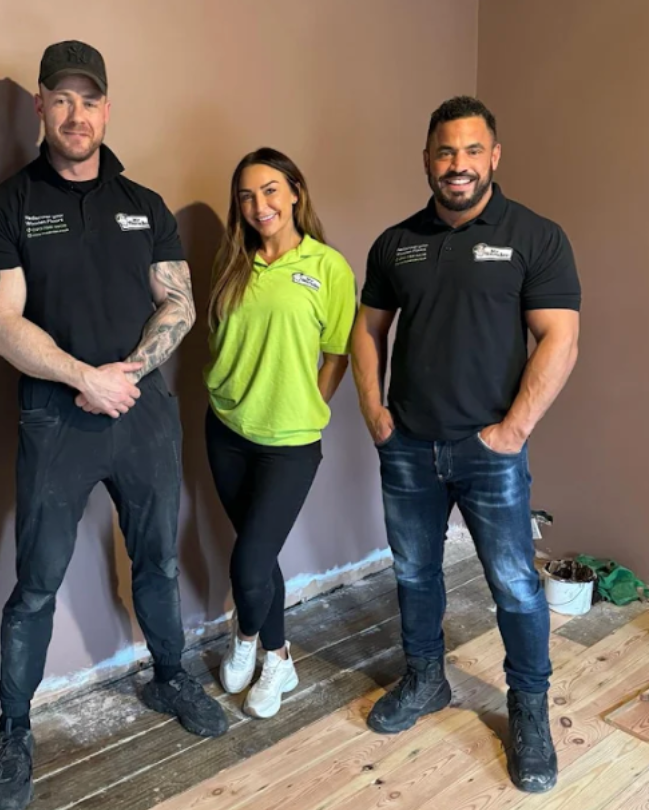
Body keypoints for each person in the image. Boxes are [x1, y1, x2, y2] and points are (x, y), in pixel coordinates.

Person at [0, 40, 227, 810]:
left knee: (159, 562)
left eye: (91, 100)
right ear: (40, 106)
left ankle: (171, 677)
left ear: (107, 109)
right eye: (63, 99)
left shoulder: (144, 204)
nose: (77, 115)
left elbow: (176, 300)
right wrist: (83, 378)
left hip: (143, 415)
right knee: (37, 583)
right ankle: (15, 732)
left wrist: (128, 375)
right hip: (56, 417)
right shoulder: (3, 209)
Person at [351, 96, 580, 794]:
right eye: (445, 152)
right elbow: (367, 328)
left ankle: (529, 709)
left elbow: (560, 338)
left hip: (491, 454)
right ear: (427, 159)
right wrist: (375, 412)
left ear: (494, 157)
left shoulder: (535, 237)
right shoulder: (397, 243)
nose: (458, 165)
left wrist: (511, 432)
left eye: (471, 151)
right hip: (409, 448)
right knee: (415, 574)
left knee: (512, 583)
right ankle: (426, 681)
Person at [204, 148, 357, 719]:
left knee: (247, 563)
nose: (258, 205)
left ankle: (265, 646)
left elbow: (339, 351)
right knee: (257, 554)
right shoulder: (232, 261)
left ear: (295, 191)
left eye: (270, 190)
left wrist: (311, 402)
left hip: (290, 442)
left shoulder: (327, 267)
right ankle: (271, 652)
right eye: (246, 195)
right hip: (225, 427)